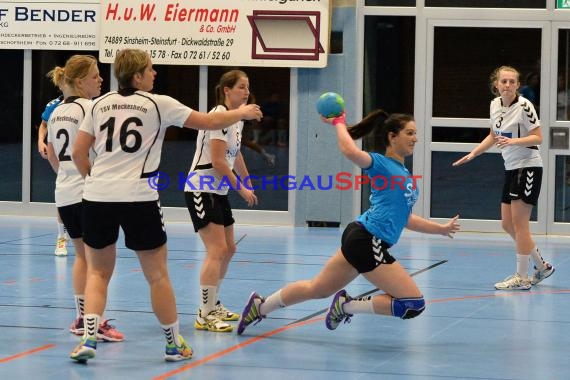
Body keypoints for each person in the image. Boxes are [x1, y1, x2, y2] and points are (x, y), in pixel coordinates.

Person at [69, 49, 262, 362]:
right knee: (157, 275)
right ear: (138, 75)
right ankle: (173, 344)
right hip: (139, 198)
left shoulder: (97, 105)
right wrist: (242, 113)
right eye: (150, 69)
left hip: (97, 198)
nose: (155, 73)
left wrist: (95, 181)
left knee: (98, 273)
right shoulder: (159, 103)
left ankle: (89, 338)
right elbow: (209, 120)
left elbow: (79, 153)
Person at [237, 109, 460, 335]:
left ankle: (261, 306)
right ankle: (345, 306)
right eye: (409, 133)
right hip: (368, 240)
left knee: (318, 288)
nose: (415, 138)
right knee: (413, 304)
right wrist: (339, 123)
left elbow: (406, 218)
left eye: (415, 133)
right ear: (392, 137)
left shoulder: (402, 172)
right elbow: (349, 150)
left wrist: (440, 229)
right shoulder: (380, 163)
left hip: (360, 237)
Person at [453, 65, 555, 290]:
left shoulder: (525, 106)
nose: (507, 85)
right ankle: (542, 266)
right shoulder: (494, 105)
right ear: (496, 85)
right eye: (503, 81)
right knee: (507, 224)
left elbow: (537, 137)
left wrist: (513, 142)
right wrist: (473, 154)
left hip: (527, 167)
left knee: (521, 225)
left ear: (518, 85)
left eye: (511, 82)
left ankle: (522, 276)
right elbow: (493, 135)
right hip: (511, 168)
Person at [45, 55, 124, 343]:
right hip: (90, 194)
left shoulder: (54, 113)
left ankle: (81, 317)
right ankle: (95, 323)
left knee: (82, 258)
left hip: (64, 193)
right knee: (100, 265)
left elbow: (52, 155)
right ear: (79, 82)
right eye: (95, 76)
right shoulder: (90, 108)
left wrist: (66, 176)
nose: (101, 80)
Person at [184, 69, 258, 333]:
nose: (246, 91)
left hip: (217, 191)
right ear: (226, 90)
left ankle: (213, 304)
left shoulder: (236, 120)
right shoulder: (218, 116)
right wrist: (240, 189)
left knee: (229, 249)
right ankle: (204, 314)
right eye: (241, 87)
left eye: (248, 87)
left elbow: (234, 155)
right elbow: (217, 161)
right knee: (216, 251)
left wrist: (247, 179)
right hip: (201, 188)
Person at [37, 89, 69, 256]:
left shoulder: (88, 103)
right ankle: (61, 237)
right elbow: (43, 125)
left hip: (84, 156)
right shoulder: (54, 105)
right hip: (61, 156)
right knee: (62, 196)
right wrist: (40, 141)